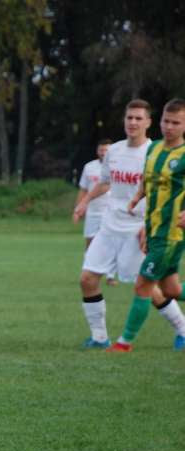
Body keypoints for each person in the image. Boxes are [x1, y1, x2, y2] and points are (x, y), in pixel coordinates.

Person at [73, 99, 185, 349]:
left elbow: (160, 192)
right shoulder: (114, 151)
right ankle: (100, 338)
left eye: (138, 118)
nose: (133, 122)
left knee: (148, 286)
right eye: (129, 117)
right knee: (87, 279)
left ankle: (181, 328)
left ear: (148, 122)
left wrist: (149, 225)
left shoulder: (154, 151)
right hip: (110, 226)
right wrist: (84, 203)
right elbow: (104, 182)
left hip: (139, 230)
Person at [108, 98, 185, 352]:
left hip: (171, 234)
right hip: (152, 229)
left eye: (176, 123)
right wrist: (137, 196)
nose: (169, 127)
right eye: (166, 121)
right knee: (171, 289)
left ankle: (124, 343)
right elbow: (147, 178)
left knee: (143, 284)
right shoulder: (153, 149)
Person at [73, 139, 116, 285]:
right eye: (101, 150)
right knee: (90, 243)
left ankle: (110, 276)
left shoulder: (117, 166)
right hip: (93, 212)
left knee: (111, 243)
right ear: (97, 151)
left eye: (107, 150)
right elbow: (83, 189)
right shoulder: (89, 167)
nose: (104, 153)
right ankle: (88, 272)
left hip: (111, 212)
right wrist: (78, 208)